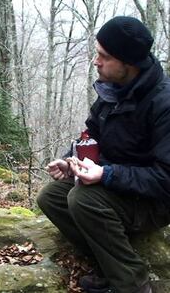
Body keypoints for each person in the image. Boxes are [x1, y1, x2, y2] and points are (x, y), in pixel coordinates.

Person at [37, 16, 170, 293]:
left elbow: (165, 178)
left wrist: (107, 174)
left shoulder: (162, 104)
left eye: (104, 56)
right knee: (51, 197)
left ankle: (132, 282)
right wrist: (71, 160)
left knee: (83, 199)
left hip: (154, 200)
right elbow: (91, 136)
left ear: (128, 63)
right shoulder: (113, 91)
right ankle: (107, 262)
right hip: (121, 188)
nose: (96, 61)